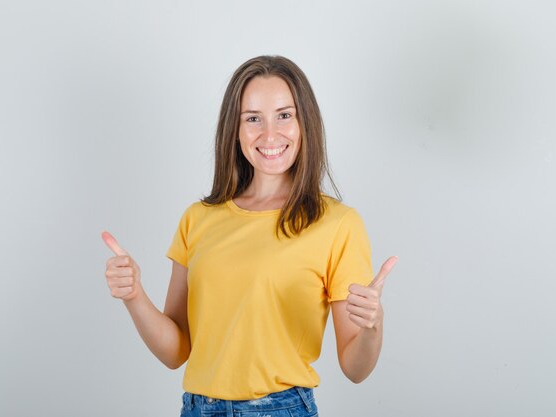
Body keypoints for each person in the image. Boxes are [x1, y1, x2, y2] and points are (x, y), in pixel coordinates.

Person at [101, 55, 398, 417]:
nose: (269, 134)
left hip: (279, 408)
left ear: (306, 124)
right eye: (253, 118)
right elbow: (175, 352)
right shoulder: (199, 218)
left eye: (285, 115)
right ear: (235, 129)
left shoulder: (337, 223)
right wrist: (134, 296)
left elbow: (355, 368)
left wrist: (373, 325)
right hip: (196, 408)